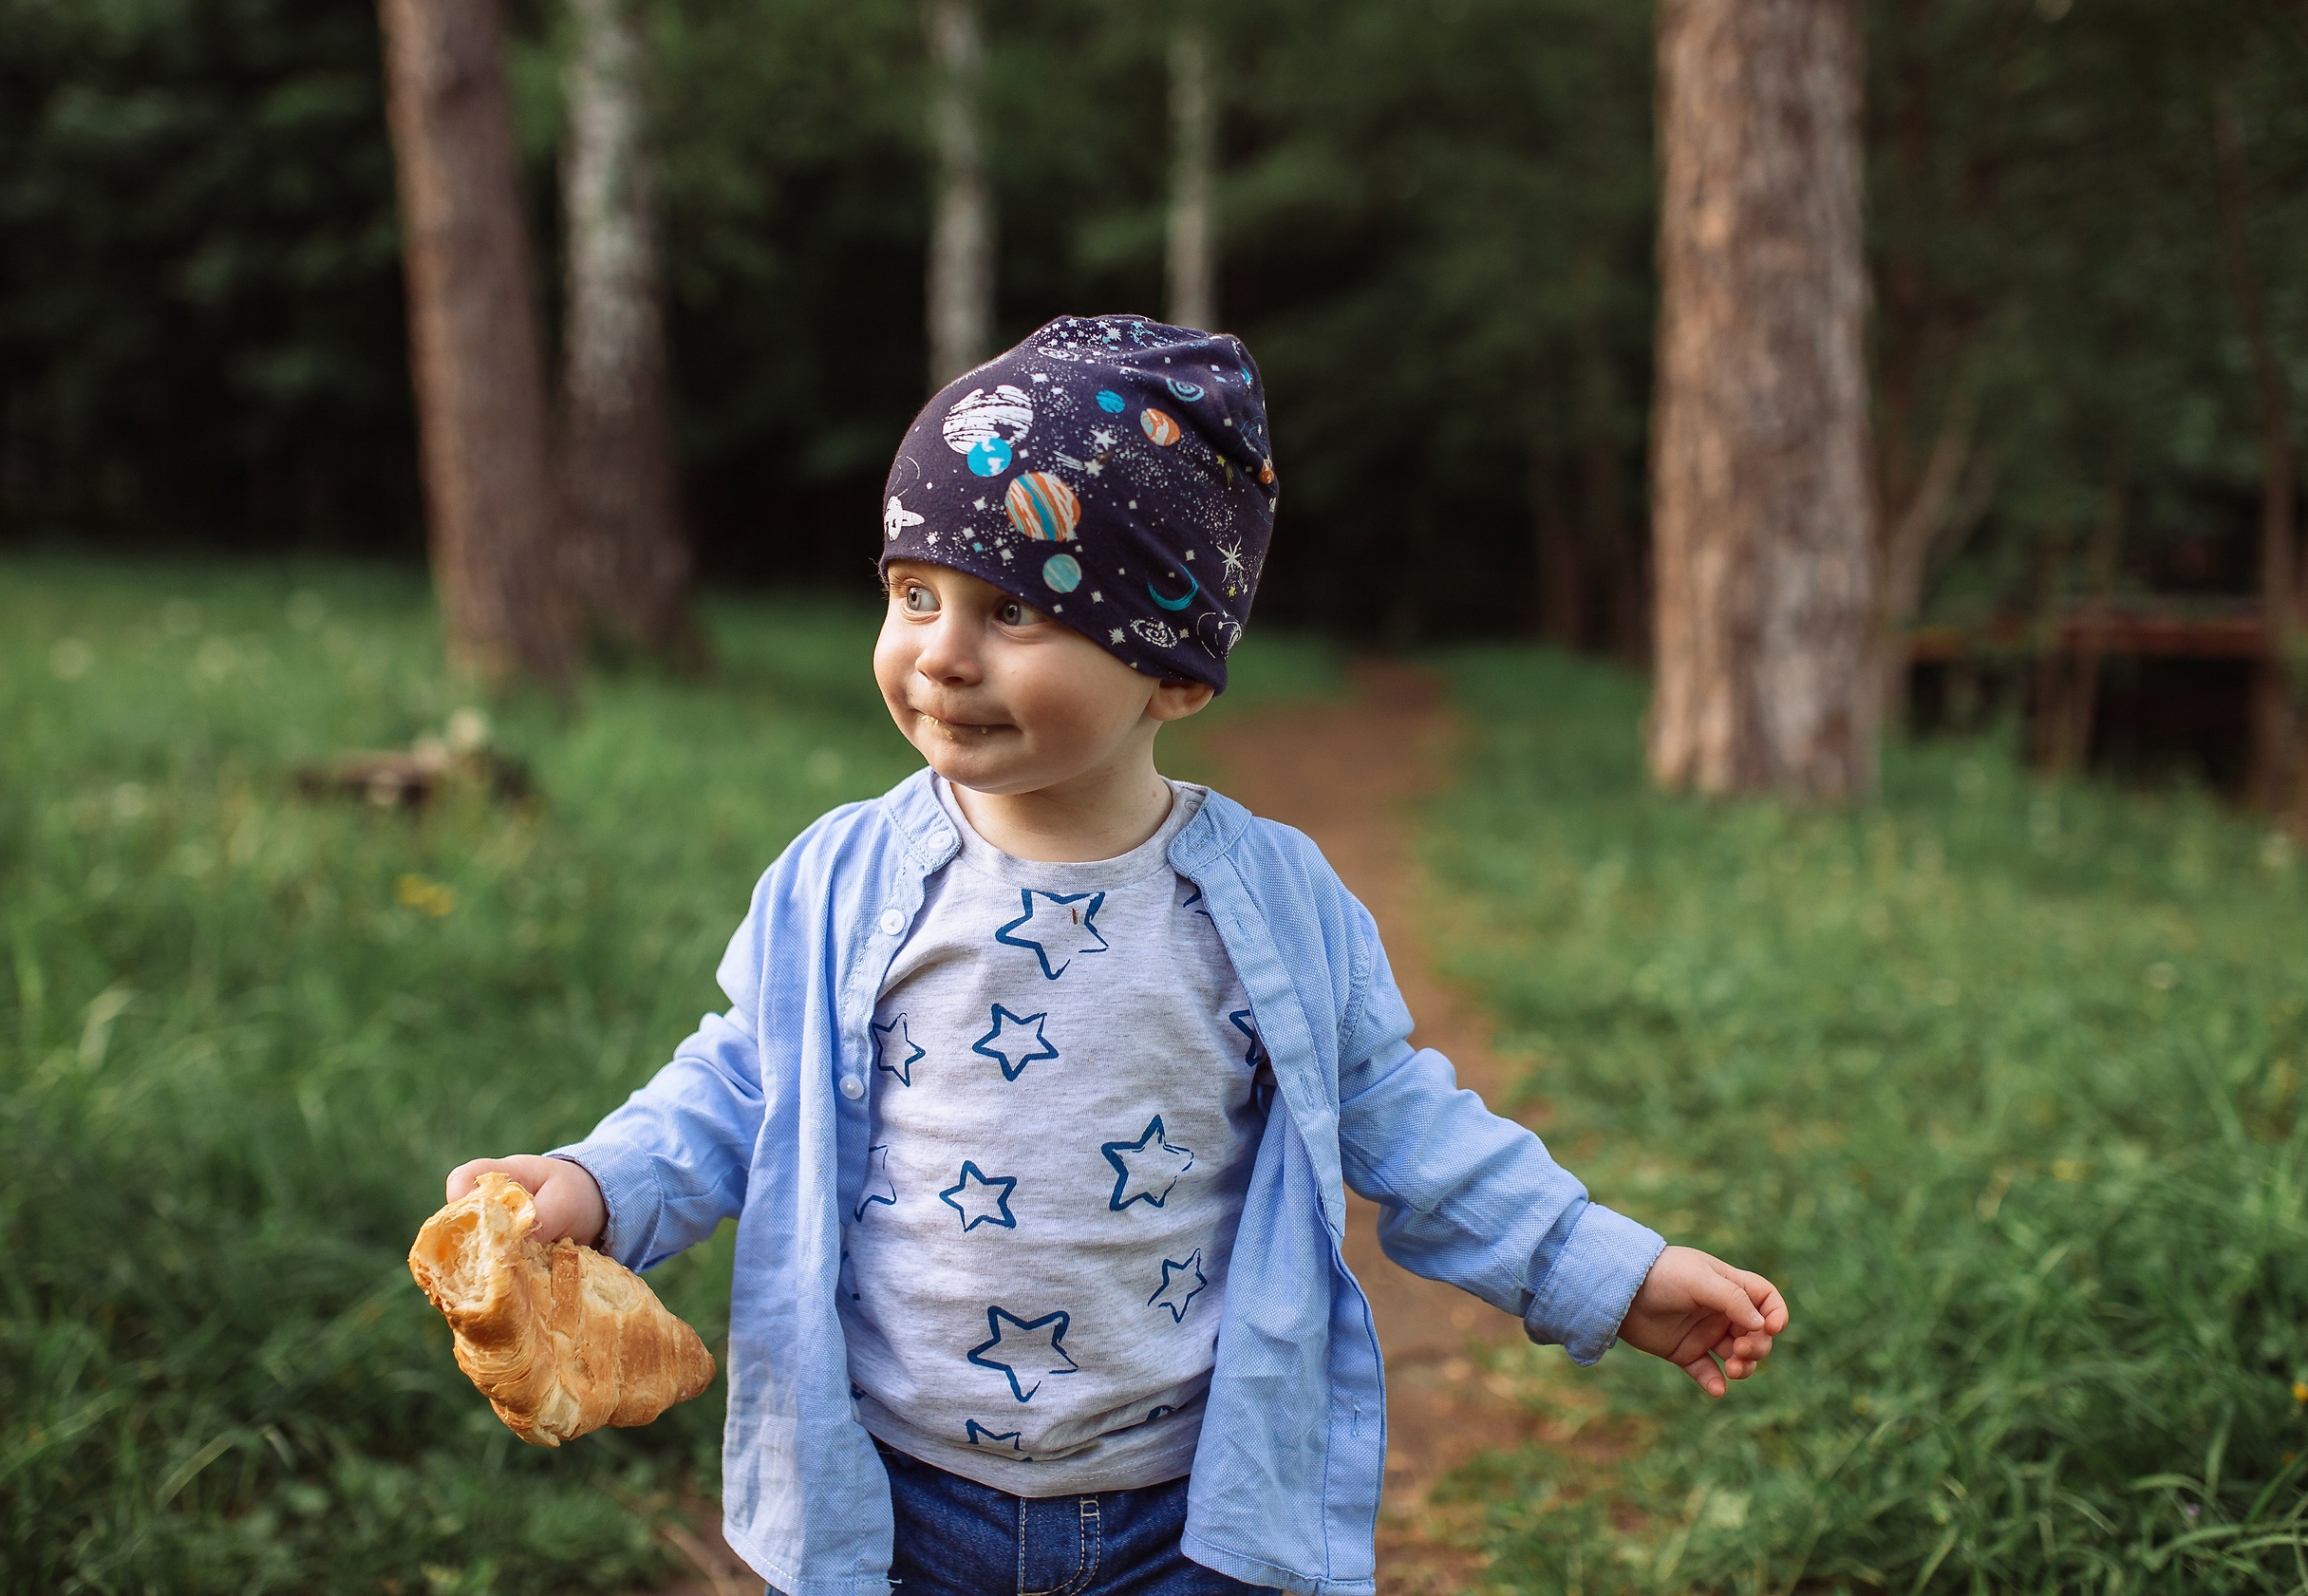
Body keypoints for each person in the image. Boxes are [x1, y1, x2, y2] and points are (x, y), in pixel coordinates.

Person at [444, 315, 1788, 1596]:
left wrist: (1608, 1270)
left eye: (1014, 612)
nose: (943, 657)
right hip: (894, 1494)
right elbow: (738, 1085)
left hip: (1186, 1512)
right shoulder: (844, 877)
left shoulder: (1263, 902)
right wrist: (592, 1180)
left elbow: (1407, 1123)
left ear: (1175, 672)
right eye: (914, 594)